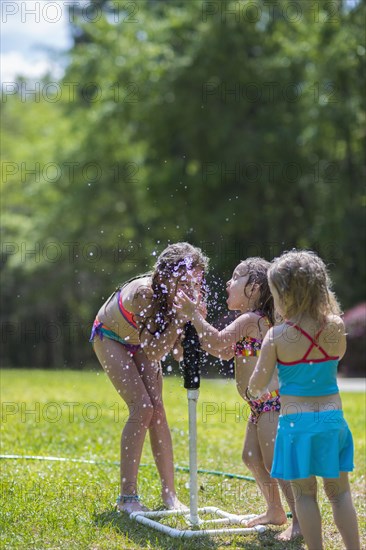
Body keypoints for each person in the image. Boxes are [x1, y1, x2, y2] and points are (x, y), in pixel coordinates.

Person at [175, 257, 300, 540]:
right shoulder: (251, 322)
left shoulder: (250, 320)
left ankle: (300, 520)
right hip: (259, 405)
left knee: (275, 463)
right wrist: (198, 321)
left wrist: (195, 316)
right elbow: (222, 350)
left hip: (270, 403)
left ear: (254, 287)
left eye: (236, 277)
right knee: (252, 457)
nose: (229, 283)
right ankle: (275, 511)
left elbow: (218, 341)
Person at [248, 250, 360, 550]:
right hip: (331, 421)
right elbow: (335, 357)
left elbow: (257, 383)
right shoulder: (335, 325)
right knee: (340, 494)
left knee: (305, 496)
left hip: (296, 424)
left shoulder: (276, 336)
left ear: (285, 294)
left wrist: (258, 388)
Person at [90, 242, 209, 513]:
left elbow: (176, 352)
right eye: (185, 281)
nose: (191, 289)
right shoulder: (146, 294)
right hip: (111, 336)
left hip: (143, 340)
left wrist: (193, 324)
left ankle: (170, 495)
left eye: (196, 282)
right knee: (141, 407)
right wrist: (180, 321)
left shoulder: (185, 295)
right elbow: (155, 350)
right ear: (167, 275)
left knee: (157, 411)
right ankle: (127, 498)